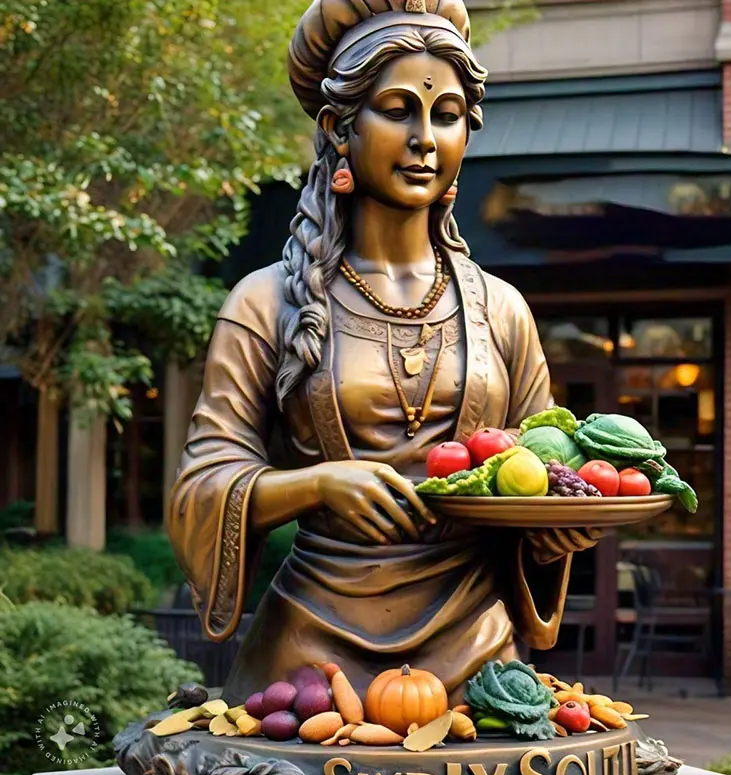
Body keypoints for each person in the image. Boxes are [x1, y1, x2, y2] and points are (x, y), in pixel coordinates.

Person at [168, 0, 601, 705]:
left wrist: (557, 529)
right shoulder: (264, 301)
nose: (425, 138)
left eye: (448, 114)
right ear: (340, 129)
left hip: (479, 656)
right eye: (398, 109)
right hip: (307, 656)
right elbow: (202, 486)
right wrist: (318, 484)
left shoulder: (503, 309)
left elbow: (544, 471)